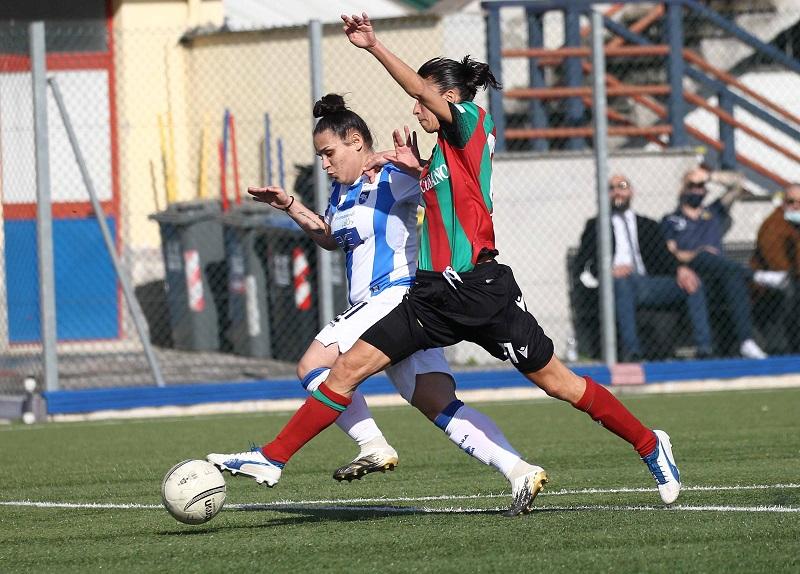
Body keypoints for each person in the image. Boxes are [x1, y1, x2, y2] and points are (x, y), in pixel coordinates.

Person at [208, 13, 681, 514]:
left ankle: (651, 445)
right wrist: (412, 167)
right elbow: (428, 200)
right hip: (430, 297)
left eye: (423, 99)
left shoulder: (472, 124)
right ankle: (273, 458)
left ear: (449, 99)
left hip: (481, 289)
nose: (415, 109)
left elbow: (427, 100)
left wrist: (373, 46)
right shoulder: (438, 159)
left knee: (560, 384)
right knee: (344, 371)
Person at [209, 93, 543, 512]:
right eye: (320, 156)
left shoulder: (391, 177)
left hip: (397, 295)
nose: (325, 163)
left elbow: (443, 192)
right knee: (436, 401)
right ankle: (519, 471)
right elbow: (333, 237)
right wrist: (292, 207)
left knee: (314, 364)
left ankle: (347, 447)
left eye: (330, 153)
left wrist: (415, 166)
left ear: (355, 141)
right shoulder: (341, 191)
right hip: (390, 308)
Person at [576, 174, 713, 361]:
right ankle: (632, 352)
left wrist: (681, 269)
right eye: (612, 188)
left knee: (692, 282)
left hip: (647, 283)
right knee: (622, 284)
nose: (617, 192)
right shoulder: (596, 226)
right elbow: (583, 263)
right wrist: (608, 272)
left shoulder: (647, 224)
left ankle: (704, 348)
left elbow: (665, 256)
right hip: (616, 284)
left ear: (631, 191)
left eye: (622, 186)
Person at [662, 166, 767, 359]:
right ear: (683, 189)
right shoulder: (671, 220)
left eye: (701, 185)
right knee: (707, 257)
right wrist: (696, 254)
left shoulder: (714, 211)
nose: (697, 190)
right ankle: (755, 275)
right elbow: (672, 253)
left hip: (720, 275)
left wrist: (710, 176)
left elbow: (738, 184)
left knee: (732, 275)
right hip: (693, 273)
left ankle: (746, 341)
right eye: (692, 185)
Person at [750, 183, 800, 353]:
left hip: (794, 278)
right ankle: (785, 347)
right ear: (783, 203)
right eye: (791, 201)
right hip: (769, 285)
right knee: (792, 289)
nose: (795, 206)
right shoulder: (773, 225)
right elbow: (778, 265)